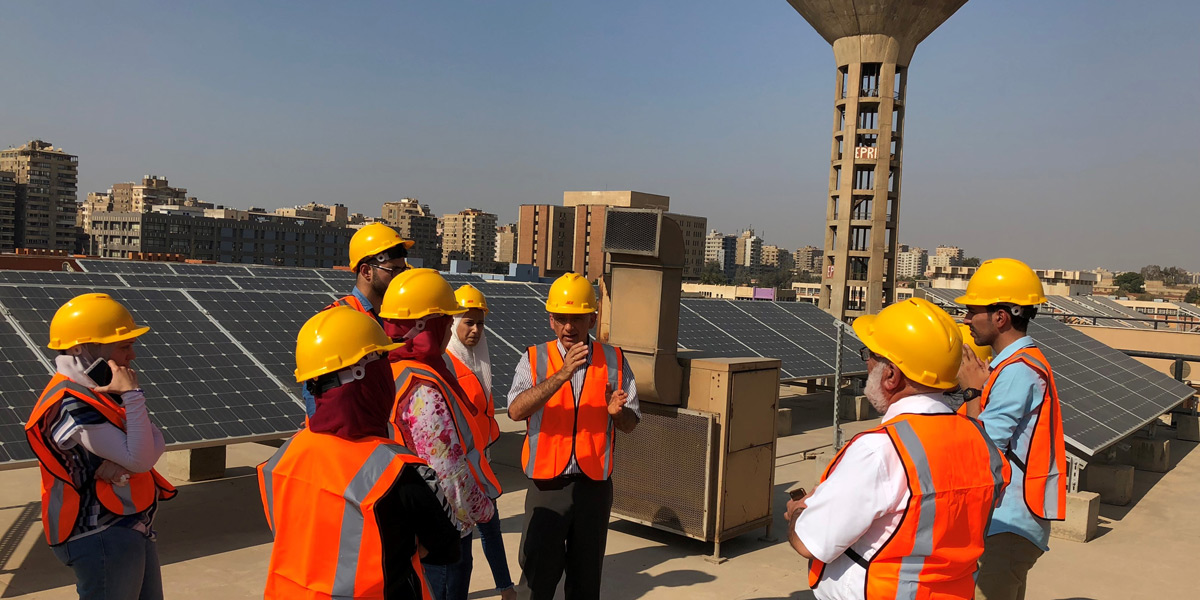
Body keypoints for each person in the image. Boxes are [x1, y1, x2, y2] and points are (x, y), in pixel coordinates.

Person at [786, 298, 1010, 600]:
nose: (867, 364)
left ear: (892, 375)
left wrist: (799, 512)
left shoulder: (880, 450)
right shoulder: (981, 441)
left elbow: (810, 542)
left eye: (871, 356)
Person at [258, 306, 461, 599]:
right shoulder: (400, 471)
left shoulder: (283, 456)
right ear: (364, 375)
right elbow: (446, 547)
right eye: (382, 360)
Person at [25, 293, 177, 600]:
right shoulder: (69, 402)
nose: (132, 355)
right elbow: (142, 456)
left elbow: (156, 441)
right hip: (99, 536)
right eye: (124, 345)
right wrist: (133, 396)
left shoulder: (97, 389)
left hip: (127, 528)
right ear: (83, 348)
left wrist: (131, 455)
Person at [507, 273, 640, 600]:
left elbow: (631, 423)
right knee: (537, 576)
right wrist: (562, 374)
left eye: (577, 318)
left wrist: (617, 413)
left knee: (585, 579)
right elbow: (515, 410)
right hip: (547, 485)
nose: (569, 326)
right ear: (551, 320)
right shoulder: (535, 359)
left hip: (593, 487)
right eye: (562, 318)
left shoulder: (615, 361)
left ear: (592, 319)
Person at [380, 269, 500, 600]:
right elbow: (447, 473)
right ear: (424, 326)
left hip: (405, 523)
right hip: (441, 532)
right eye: (445, 322)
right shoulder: (422, 387)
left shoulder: (387, 370)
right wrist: (482, 510)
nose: (450, 329)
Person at [955, 258, 1067, 600]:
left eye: (973, 311)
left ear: (1000, 317)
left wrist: (972, 390)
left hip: (1006, 525)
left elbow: (983, 450)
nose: (965, 319)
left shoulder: (1018, 371)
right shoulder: (1014, 366)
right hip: (1010, 524)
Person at [301, 222, 414, 417]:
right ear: (366, 271)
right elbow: (314, 388)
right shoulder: (335, 320)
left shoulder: (397, 319)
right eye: (392, 270)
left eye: (402, 271)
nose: (399, 278)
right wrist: (321, 425)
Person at [446, 284, 515, 600]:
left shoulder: (479, 359)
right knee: (461, 548)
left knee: (490, 530)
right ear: (453, 323)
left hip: (479, 465)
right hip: (457, 473)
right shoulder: (446, 364)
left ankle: (505, 587)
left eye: (479, 323)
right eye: (468, 322)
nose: (474, 330)